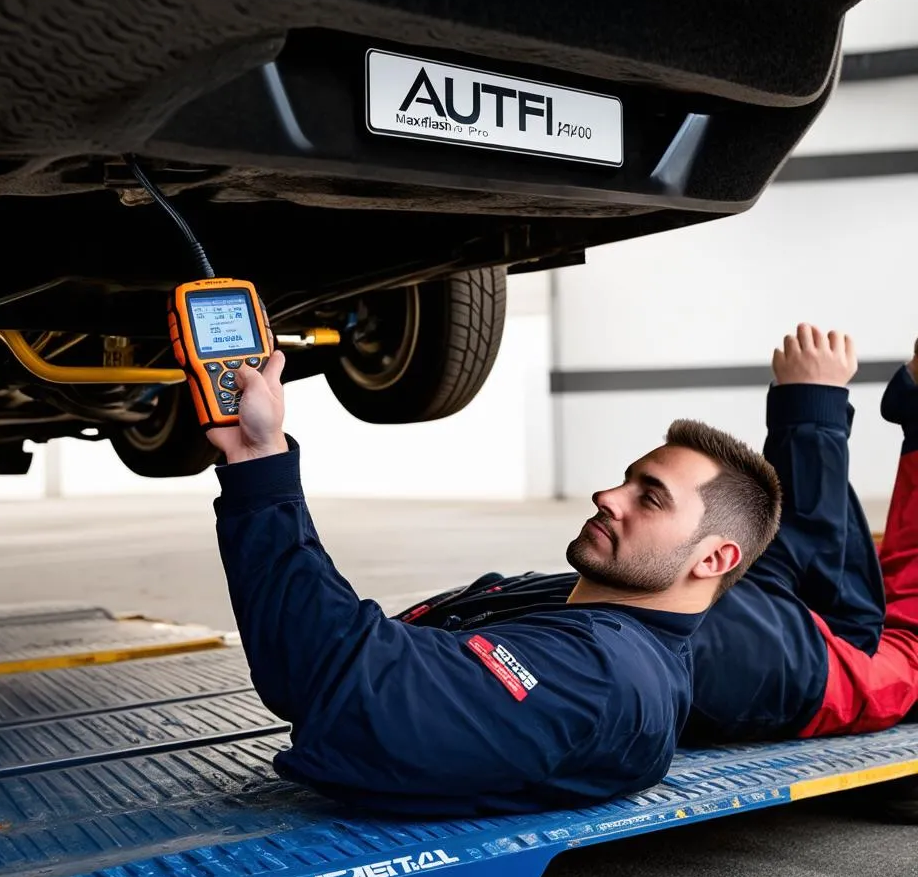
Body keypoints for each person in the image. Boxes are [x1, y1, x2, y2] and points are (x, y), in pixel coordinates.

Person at [207, 349, 781, 816]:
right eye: (625, 481)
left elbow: (344, 675)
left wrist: (262, 462)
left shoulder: (604, 676)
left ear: (713, 559)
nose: (607, 497)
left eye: (649, 498)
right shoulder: (577, 607)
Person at [686, 325, 918, 745]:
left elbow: (795, 566)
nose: (605, 499)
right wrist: (812, 408)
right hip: (834, 661)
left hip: (826, 662)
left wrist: (811, 408)